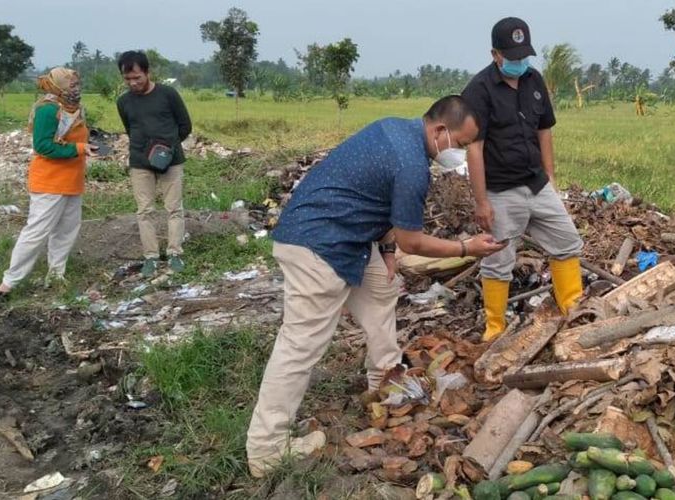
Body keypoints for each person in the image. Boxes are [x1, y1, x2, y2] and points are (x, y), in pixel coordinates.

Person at [246, 95, 506, 478]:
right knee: (300, 345)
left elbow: (376, 196)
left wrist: (384, 248)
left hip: (344, 237)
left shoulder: (396, 130)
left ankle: (386, 379)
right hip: (318, 244)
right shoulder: (412, 164)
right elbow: (413, 242)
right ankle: (266, 449)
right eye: (462, 144)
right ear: (439, 131)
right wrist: (467, 248)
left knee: (382, 288)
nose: (462, 153)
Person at [461, 17, 584, 341]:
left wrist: (551, 177)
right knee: (498, 259)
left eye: (523, 55)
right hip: (501, 190)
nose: (519, 62)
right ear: (495, 54)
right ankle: (495, 328)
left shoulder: (534, 80)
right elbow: (475, 148)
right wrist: (482, 201)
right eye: (512, 57)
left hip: (537, 183)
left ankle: (573, 308)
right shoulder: (479, 90)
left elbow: (544, 131)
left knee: (567, 242)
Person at [0, 68, 96, 298]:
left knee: (66, 230)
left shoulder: (74, 109)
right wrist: (80, 149)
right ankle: (9, 282)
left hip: (72, 180)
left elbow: (73, 139)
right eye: (71, 85)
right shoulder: (48, 109)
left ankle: (55, 275)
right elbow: (43, 146)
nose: (76, 88)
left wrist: (87, 145)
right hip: (50, 183)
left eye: (77, 84)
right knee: (37, 231)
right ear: (58, 86)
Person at [116, 50, 192, 277]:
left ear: (147, 72)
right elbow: (130, 129)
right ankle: (150, 257)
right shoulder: (123, 102)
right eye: (128, 79)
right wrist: (147, 151)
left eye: (137, 77)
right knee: (144, 211)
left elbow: (185, 125)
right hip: (139, 162)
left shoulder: (168, 94)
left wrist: (167, 149)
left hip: (172, 161)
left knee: (174, 208)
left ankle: (175, 253)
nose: (133, 83)